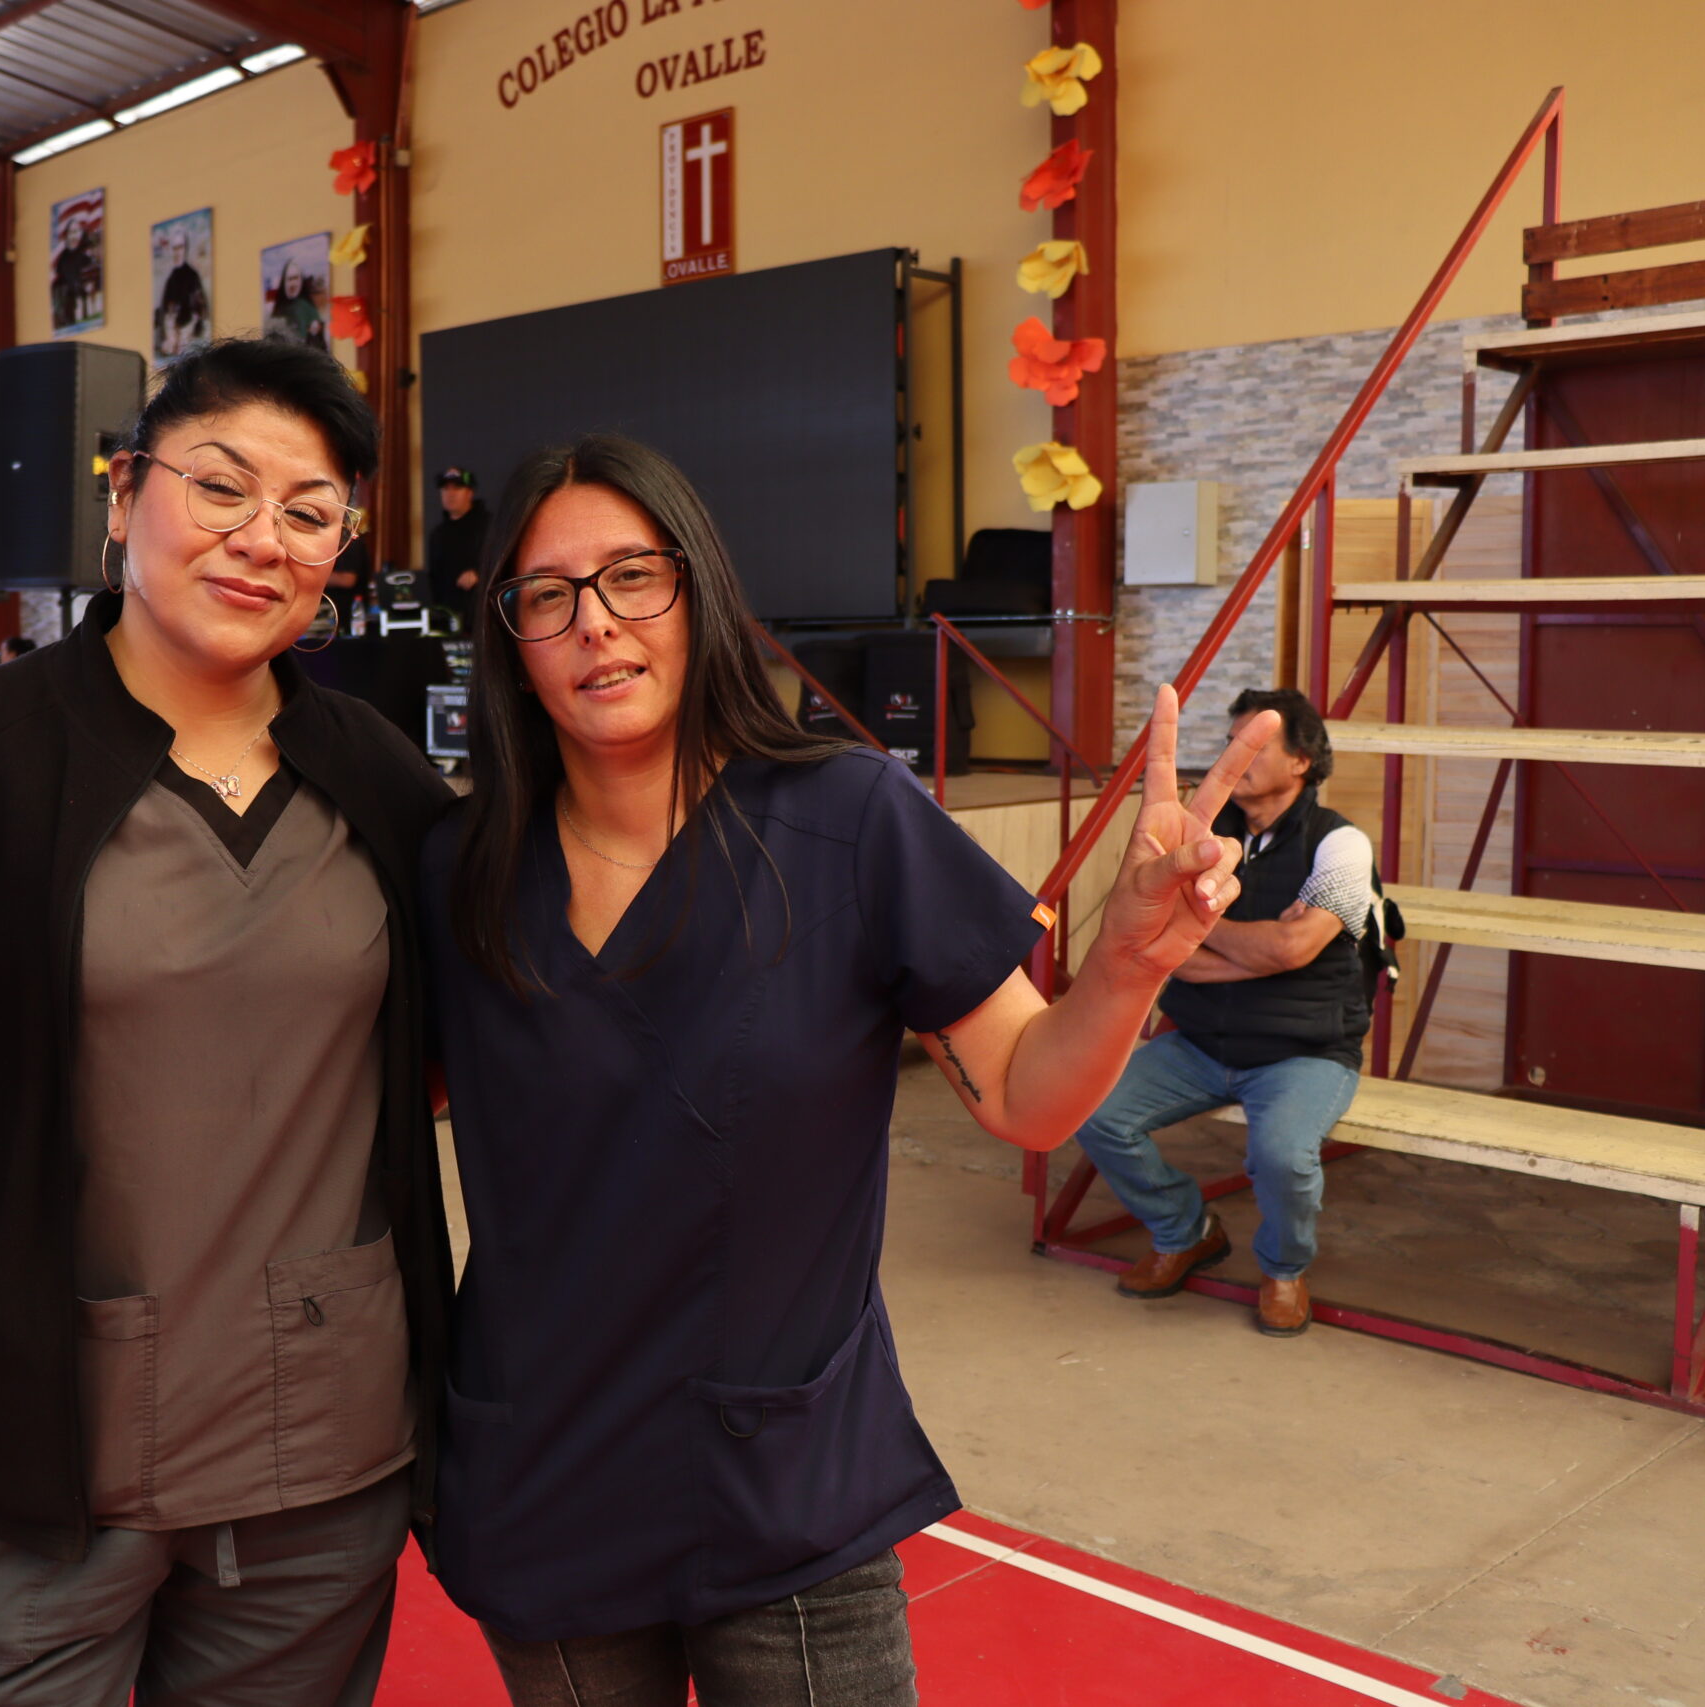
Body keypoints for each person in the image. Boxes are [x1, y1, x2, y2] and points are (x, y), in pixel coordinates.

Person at [423, 435, 1272, 1706]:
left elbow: (1023, 1095)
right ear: (509, 638)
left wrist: (1125, 967)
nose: (594, 622)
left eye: (631, 577)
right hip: (546, 1473)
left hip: (785, 1479)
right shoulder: (459, 870)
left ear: (698, 590)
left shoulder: (848, 818)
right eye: (546, 595)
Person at [0, 338, 456, 1707]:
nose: (263, 539)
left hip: (318, 1458)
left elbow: (431, 1063)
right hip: (27, 1456)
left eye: (311, 513)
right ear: (123, 495)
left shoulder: (380, 776)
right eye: (220, 487)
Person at [1069, 689, 1372, 1337]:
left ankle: (1284, 1270)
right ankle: (1186, 1231)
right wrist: (1261, 950)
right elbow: (1165, 950)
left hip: (1305, 1050)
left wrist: (1205, 929)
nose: (1236, 755)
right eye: (1233, 741)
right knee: (1092, 1109)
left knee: (1283, 1155)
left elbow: (1295, 947)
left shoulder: (1341, 844)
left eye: (1256, 744)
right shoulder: (1201, 836)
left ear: (1302, 760)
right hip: (1201, 1042)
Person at [427, 466, 489, 633]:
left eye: (457, 488)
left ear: (470, 492)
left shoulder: (489, 526)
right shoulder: (437, 534)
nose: (450, 494)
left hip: (483, 616)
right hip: (448, 620)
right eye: (445, 489)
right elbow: (434, 580)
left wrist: (479, 574)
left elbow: (504, 561)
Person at [268, 254, 328, 353]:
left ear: (301, 281)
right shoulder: (278, 310)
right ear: (284, 282)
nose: (293, 283)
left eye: (295, 278)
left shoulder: (309, 308)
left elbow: (319, 345)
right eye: (289, 279)